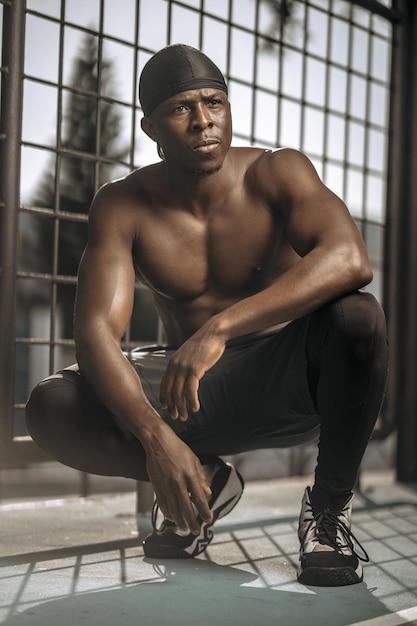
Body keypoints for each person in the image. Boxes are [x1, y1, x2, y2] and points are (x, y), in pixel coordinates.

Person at [26, 44, 388, 587]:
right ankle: (205, 484)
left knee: (358, 317)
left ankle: (328, 513)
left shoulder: (276, 171)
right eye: (181, 109)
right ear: (150, 128)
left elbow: (349, 257)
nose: (203, 122)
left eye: (213, 103)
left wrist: (218, 328)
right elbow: (97, 331)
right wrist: (155, 439)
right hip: (188, 396)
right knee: (52, 405)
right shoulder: (123, 203)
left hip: (289, 382)